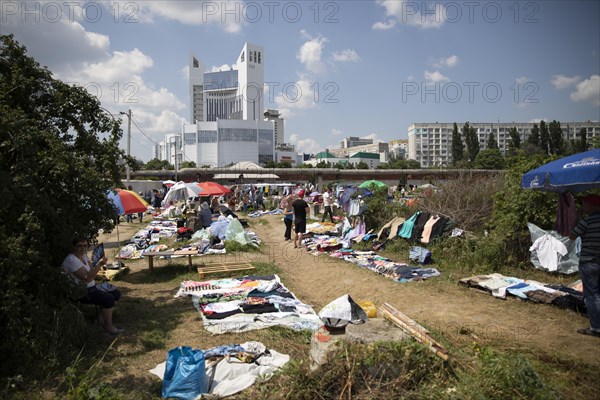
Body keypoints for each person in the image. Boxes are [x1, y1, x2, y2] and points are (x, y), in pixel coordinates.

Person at [62, 238, 124, 335]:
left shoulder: (84, 256)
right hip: (80, 292)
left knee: (115, 293)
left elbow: (91, 271)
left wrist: (97, 264)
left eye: (85, 246)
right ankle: (109, 326)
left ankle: (100, 320)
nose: (83, 248)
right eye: (79, 246)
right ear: (74, 247)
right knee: (108, 299)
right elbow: (86, 277)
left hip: (91, 287)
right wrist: (99, 265)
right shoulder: (71, 260)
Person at [569, 194, 600, 338]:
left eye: (585, 204)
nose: (584, 207)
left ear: (592, 206)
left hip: (589, 262)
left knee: (592, 295)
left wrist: (574, 222)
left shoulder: (587, 221)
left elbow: (572, 236)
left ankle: (596, 327)